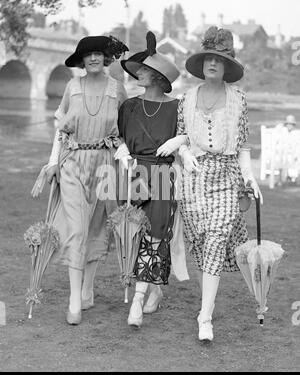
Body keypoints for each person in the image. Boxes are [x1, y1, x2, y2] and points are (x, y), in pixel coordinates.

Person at [32, 35, 128, 325]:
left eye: (99, 53)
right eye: (88, 55)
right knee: (76, 230)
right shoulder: (72, 87)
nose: (94, 58)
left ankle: (88, 290)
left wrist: (126, 163)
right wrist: (52, 163)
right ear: (82, 60)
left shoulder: (118, 89)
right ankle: (75, 298)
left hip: (105, 165)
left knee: (98, 227)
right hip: (73, 164)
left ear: (106, 58)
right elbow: (61, 129)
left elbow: (126, 132)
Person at [176, 26, 263, 342]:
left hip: (227, 177)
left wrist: (249, 177)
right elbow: (182, 136)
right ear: (202, 63)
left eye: (220, 59)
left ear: (227, 66)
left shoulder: (238, 100)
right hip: (194, 181)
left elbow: (242, 146)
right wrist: (184, 154)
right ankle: (205, 306)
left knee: (216, 239)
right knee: (201, 243)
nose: (213, 63)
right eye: (208, 58)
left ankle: (205, 317)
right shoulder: (186, 98)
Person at [115, 31, 189, 328]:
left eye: (145, 70)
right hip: (133, 174)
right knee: (134, 234)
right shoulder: (129, 106)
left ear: (159, 77)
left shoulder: (176, 107)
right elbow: (119, 134)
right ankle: (154, 288)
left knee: (155, 234)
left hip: (162, 175)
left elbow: (190, 136)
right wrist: (121, 148)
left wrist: (180, 139)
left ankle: (137, 300)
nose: (138, 74)